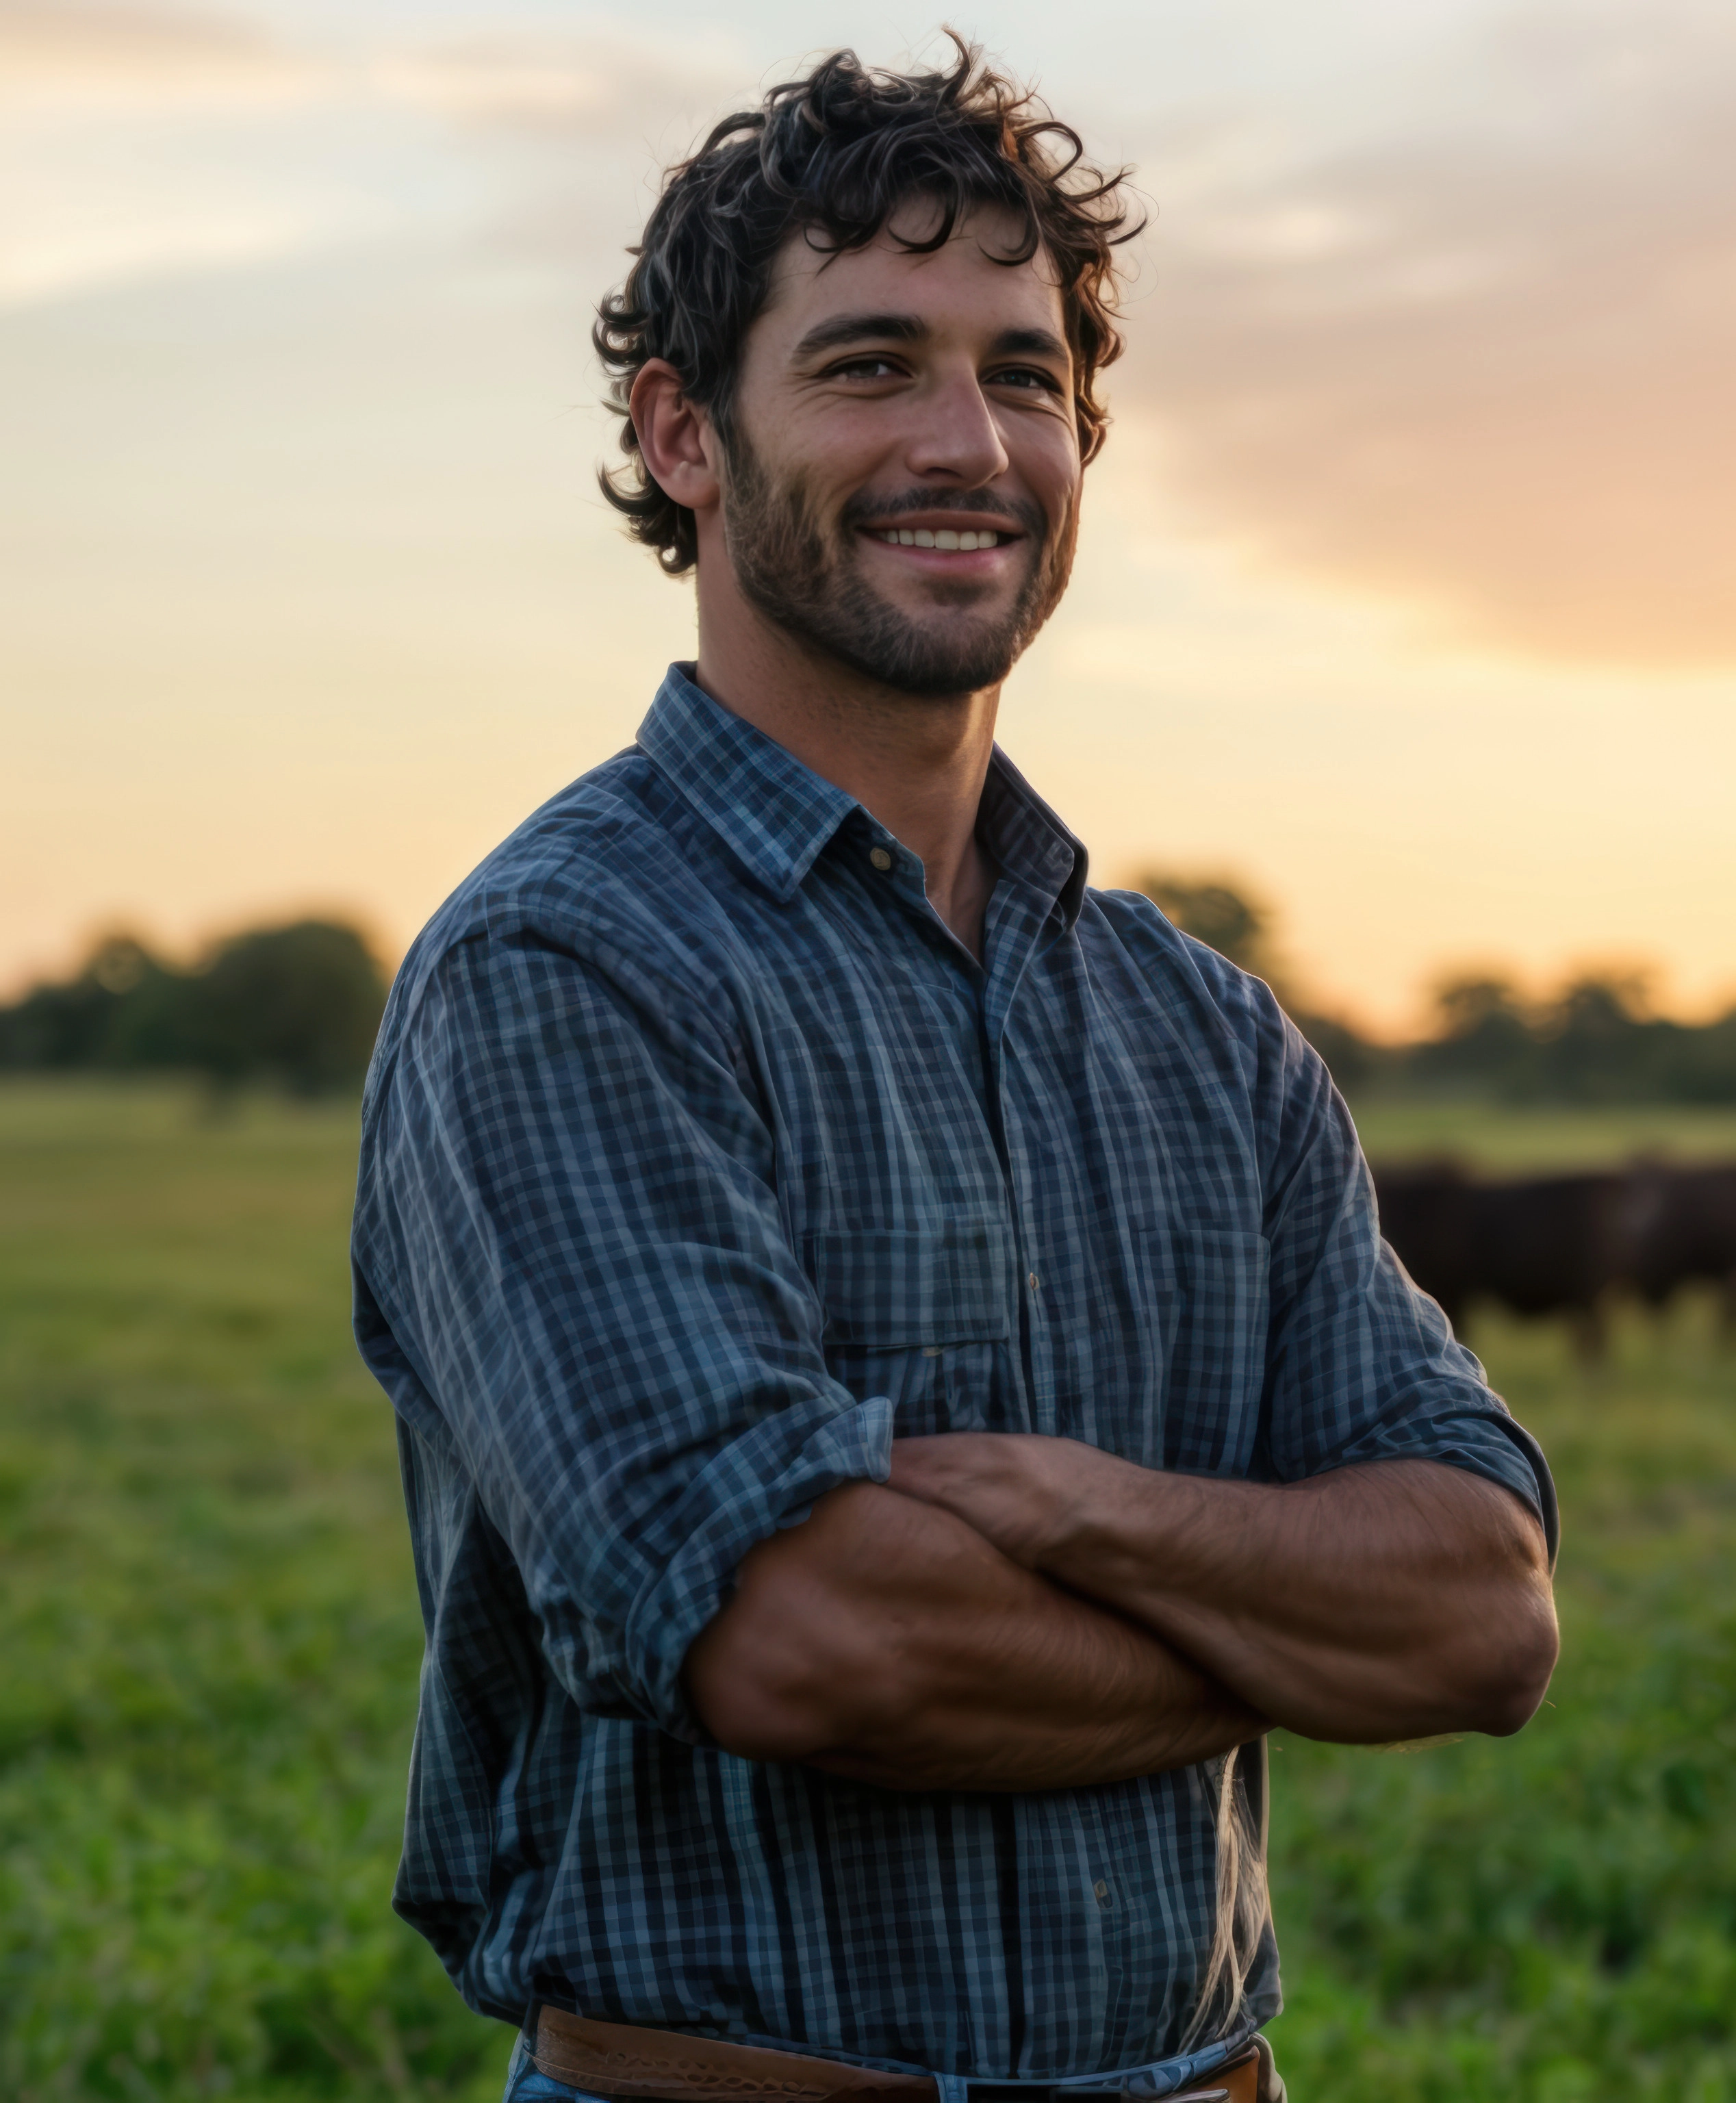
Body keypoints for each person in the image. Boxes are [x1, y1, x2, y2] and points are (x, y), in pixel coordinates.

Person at [349, 40, 1558, 2102]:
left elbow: (1480, 1614)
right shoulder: (562, 969)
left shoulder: (1201, 1026)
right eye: (869, 366)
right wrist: (1273, 1624)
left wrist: (1076, 1507)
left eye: (1025, 378)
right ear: (683, 434)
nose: (967, 442)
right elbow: (816, 1643)